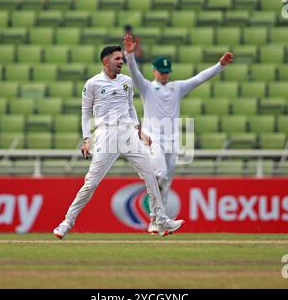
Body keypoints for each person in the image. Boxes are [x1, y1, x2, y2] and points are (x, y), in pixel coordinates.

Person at [53, 45, 184, 240]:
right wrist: (87, 139)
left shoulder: (126, 82)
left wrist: (140, 132)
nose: (121, 61)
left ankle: (161, 219)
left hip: (128, 133)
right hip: (106, 135)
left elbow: (130, 107)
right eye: (117, 59)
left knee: (151, 174)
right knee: (91, 183)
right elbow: (85, 112)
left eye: (122, 58)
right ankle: (66, 223)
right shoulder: (92, 84)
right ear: (106, 62)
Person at [124, 34, 233, 234]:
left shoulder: (177, 87)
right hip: (152, 140)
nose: (164, 75)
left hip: (172, 142)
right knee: (160, 174)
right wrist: (129, 55)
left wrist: (220, 65)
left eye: (167, 72)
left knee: (166, 184)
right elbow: (134, 73)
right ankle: (158, 218)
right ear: (154, 71)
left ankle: (156, 222)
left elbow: (200, 78)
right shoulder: (147, 88)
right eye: (161, 71)